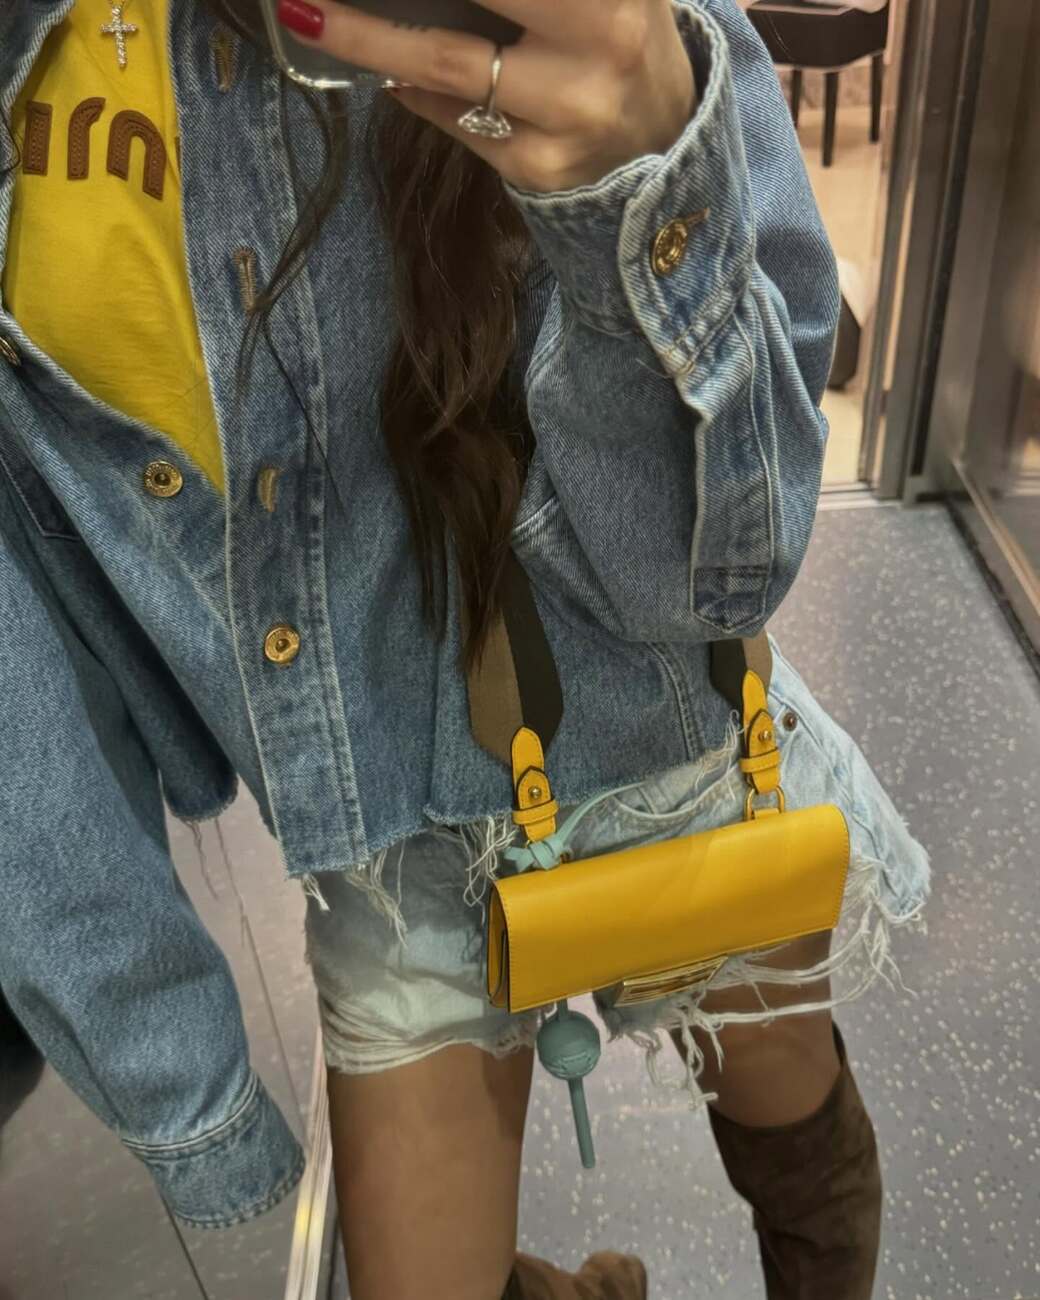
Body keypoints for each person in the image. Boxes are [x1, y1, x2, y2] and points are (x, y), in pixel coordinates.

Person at [0, 0, 929, 1296]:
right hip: (385, 838)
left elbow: (715, 576)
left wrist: (631, 198)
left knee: (798, 1148)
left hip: (660, 747)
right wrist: (158, 1042)